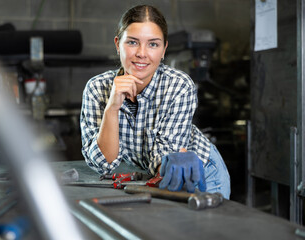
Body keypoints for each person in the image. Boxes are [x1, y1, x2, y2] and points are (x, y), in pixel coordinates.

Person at [80, 5, 231, 199]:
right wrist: (112, 107)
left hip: (201, 174)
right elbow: (103, 163)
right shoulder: (96, 88)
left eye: (153, 44)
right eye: (133, 42)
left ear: (164, 49)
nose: (142, 53)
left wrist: (166, 165)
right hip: (151, 177)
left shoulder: (178, 85)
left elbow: (165, 157)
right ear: (118, 44)